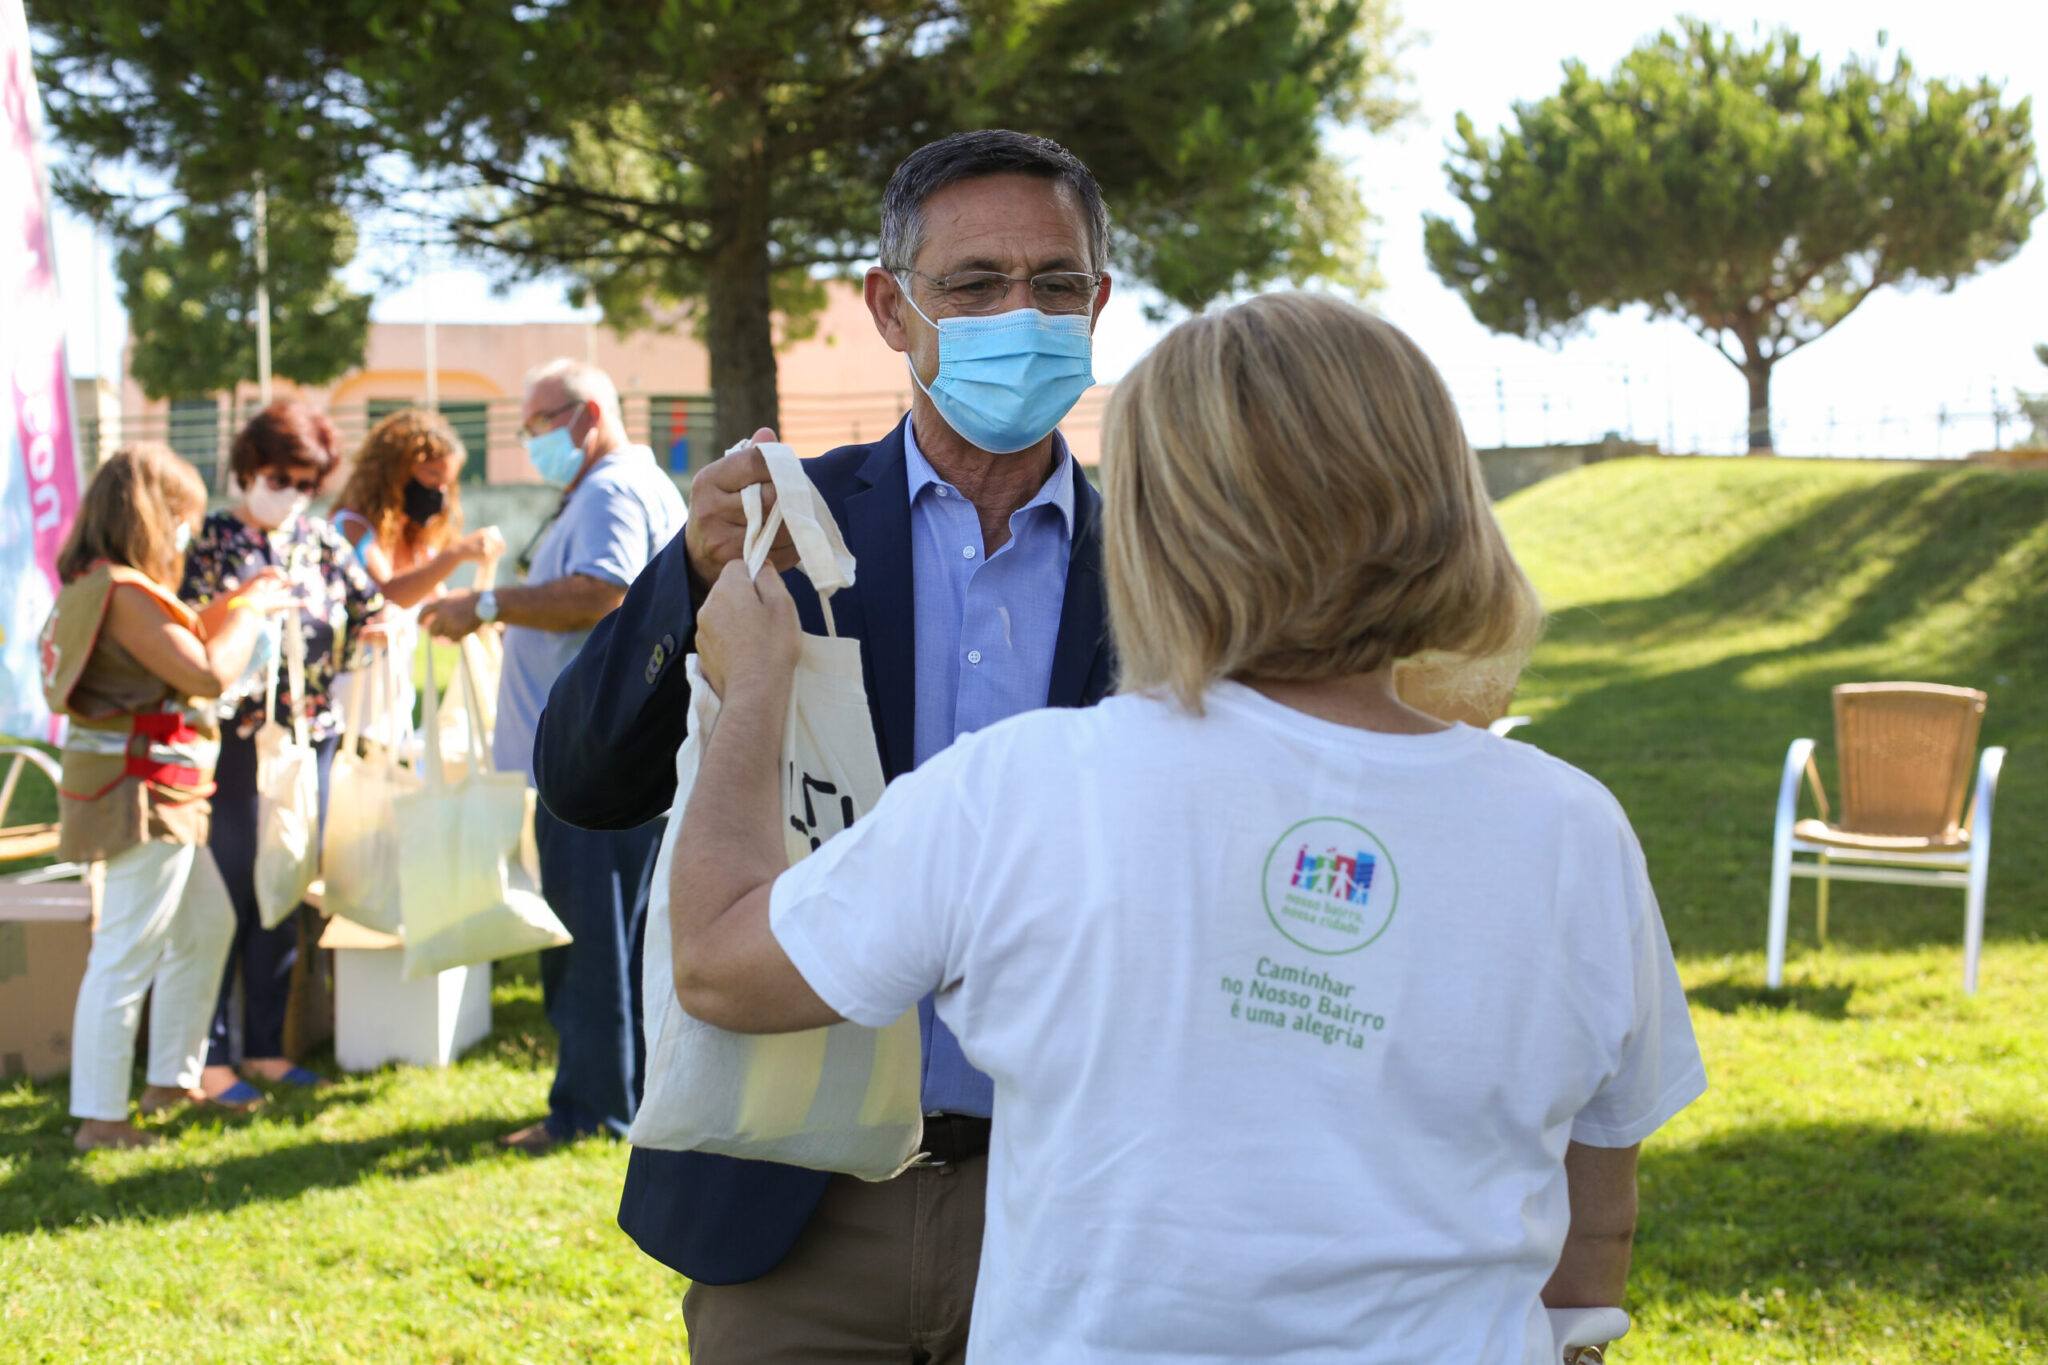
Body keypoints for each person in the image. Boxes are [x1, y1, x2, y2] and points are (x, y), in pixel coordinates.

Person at [666, 293, 1709, 1363]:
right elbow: (1598, 1203)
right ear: (1437, 500)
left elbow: (719, 968)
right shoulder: (1572, 830)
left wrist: (753, 688)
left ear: (1163, 519)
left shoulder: (1028, 789)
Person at [533, 130, 1117, 1360]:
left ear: (1098, 303)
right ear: (890, 309)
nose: (1021, 313)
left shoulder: (1171, 566)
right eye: (973, 284)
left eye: (1055, 285)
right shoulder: (775, 528)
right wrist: (686, 579)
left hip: (1072, 1208)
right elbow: (585, 781)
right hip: (793, 1214)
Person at [422, 358, 685, 1153]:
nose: (529, 439)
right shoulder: (619, 486)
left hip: (598, 764)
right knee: (624, 940)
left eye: (537, 424)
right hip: (613, 759)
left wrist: (488, 603)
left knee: (592, 941)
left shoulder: (610, 490)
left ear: (586, 417)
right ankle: (624, 1095)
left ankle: (590, 1107)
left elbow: (605, 589)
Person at [40, 444, 295, 1149]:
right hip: (141, 794)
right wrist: (249, 610)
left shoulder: (104, 585)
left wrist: (235, 604)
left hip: (158, 794)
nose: (187, 531)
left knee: (204, 925)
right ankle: (100, 1116)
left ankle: (168, 1079)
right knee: (125, 950)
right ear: (155, 515)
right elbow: (208, 673)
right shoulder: (121, 590)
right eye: (180, 516)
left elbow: (177, 640)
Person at [181, 400, 386, 1107]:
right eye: (279, 475)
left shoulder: (322, 541)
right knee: (226, 894)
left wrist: (381, 634)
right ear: (246, 468)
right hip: (235, 746)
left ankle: (266, 1046)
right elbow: (186, 638)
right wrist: (245, 602)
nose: (291, 491)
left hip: (311, 743)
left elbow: (368, 611)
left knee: (288, 885)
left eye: (306, 480)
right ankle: (206, 1057)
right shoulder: (209, 540)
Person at [329, 409, 504, 745]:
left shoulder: (414, 542)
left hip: (391, 719)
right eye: (432, 476)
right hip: (345, 719)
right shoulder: (350, 527)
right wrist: (455, 553)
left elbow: (436, 615)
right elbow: (387, 593)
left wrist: (487, 611)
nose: (439, 491)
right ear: (392, 472)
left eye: (446, 483)